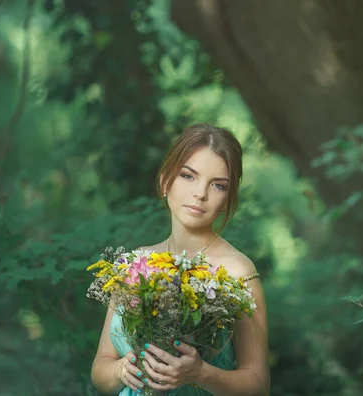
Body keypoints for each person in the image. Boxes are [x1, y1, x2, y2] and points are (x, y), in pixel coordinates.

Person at [90, 123, 270, 395]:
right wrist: (121, 371)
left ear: (227, 198)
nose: (200, 193)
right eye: (188, 176)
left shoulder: (237, 272)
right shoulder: (136, 265)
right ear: (165, 180)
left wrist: (201, 373)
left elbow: (259, 385)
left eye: (218, 185)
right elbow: (100, 369)